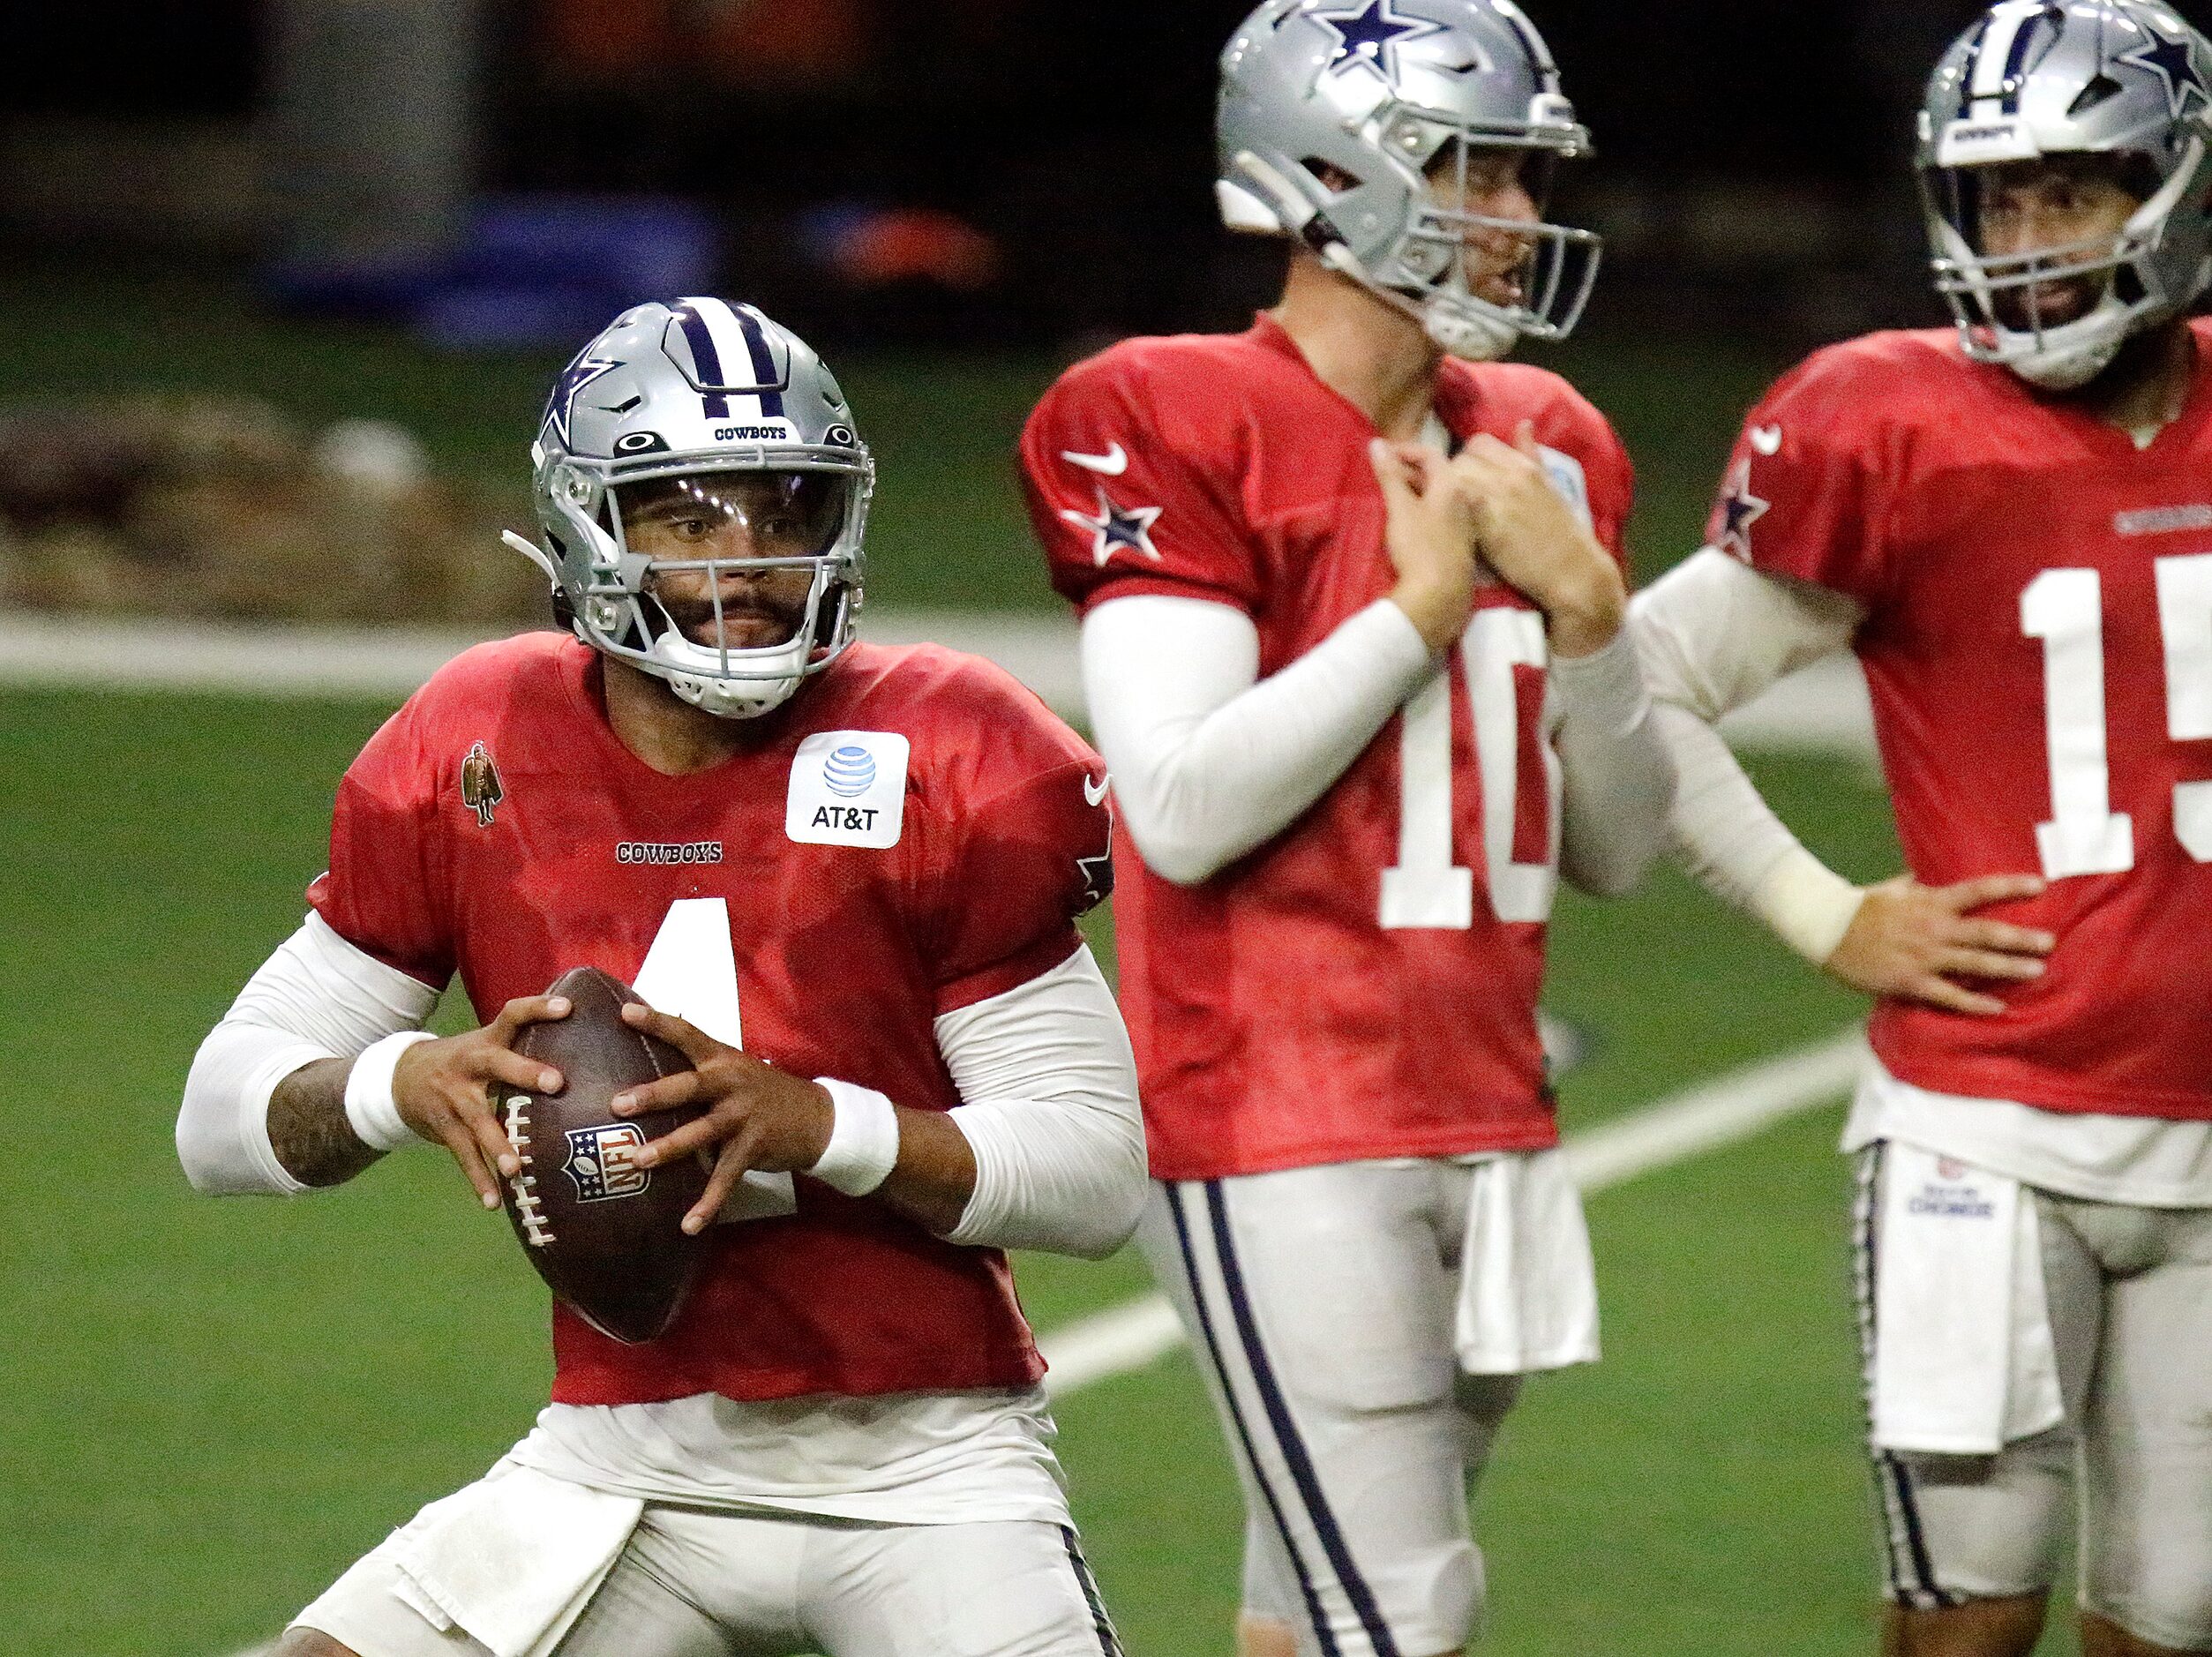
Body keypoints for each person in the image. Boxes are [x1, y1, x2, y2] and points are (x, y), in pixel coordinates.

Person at [176, 298, 1144, 1657]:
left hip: (928, 1471)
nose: (747, 562)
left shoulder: (953, 741)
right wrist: (410, 1079)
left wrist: (819, 1124)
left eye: (783, 509)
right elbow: (218, 1119)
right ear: (590, 527)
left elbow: (1099, 1172)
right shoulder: (479, 740)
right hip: (622, 1465)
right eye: (689, 518)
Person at [1018, 5, 1672, 1654]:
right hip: (1278, 1107)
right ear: (1331, 176)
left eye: (1525, 179)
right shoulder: (1172, 407)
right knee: (1404, 1609)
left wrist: (1589, 616)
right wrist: (1420, 612)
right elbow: (1173, 806)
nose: (1517, 221)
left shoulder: (1550, 440)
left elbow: (1619, 845)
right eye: (1477, 173)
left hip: (1488, 1093)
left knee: (1310, 1609)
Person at [1628, 5, 2212, 1653]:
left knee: (2175, 1616)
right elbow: (1639, 679)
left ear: (2168, 187)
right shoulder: (1884, 419)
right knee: (1965, 1623)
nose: (2027, 243)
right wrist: (1821, 909)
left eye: (2069, 196)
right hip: (1991, 1126)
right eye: (1997, 202)